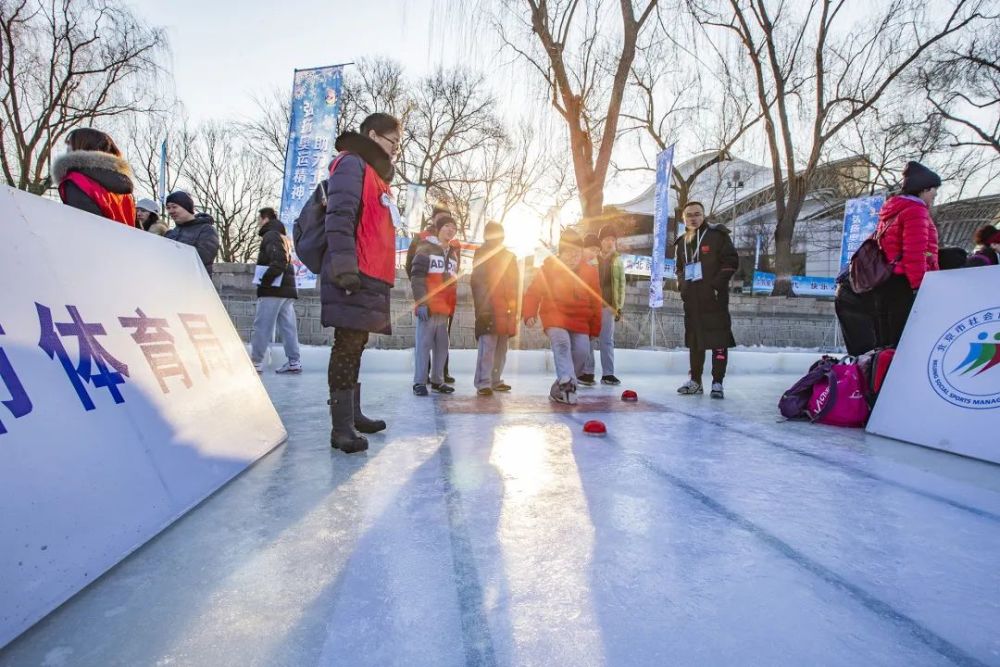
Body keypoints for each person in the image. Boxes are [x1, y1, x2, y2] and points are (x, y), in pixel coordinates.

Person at [322, 112, 401, 453]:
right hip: (354, 269)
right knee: (347, 344)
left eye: (399, 144)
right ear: (372, 134)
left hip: (372, 272)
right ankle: (341, 428)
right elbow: (339, 215)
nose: (396, 150)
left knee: (356, 344)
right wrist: (344, 266)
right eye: (391, 141)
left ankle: (351, 415)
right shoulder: (352, 164)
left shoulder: (376, 176)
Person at [523, 229, 602, 405]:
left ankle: (559, 387)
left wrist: (595, 327)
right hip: (555, 316)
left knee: (582, 352)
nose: (573, 257)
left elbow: (596, 301)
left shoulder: (590, 272)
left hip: (580, 320)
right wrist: (529, 313)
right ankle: (567, 383)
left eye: (577, 253)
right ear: (561, 252)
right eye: (569, 252)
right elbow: (533, 292)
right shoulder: (549, 268)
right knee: (562, 344)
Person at [673, 201, 739, 399]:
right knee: (695, 341)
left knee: (719, 340)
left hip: (714, 298)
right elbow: (679, 268)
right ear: (684, 219)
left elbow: (731, 261)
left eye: (697, 214)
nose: (693, 218)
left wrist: (715, 285)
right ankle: (695, 381)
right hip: (692, 301)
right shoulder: (681, 242)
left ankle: (717, 382)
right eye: (689, 215)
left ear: (703, 216)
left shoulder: (717, 235)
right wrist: (682, 286)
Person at [871, 161, 940, 348]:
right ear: (924, 189)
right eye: (934, 189)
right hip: (903, 283)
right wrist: (920, 286)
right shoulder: (915, 211)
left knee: (885, 342)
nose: (935, 194)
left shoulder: (891, 209)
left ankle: (881, 376)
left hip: (885, 280)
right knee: (903, 342)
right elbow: (915, 252)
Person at [410, 214, 460, 396]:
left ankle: (438, 380)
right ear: (438, 229)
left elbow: (453, 282)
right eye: (447, 226)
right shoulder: (425, 248)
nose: (450, 230)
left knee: (442, 345)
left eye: (453, 228)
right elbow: (417, 277)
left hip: (444, 309)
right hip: (429, 307)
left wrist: (451, 306)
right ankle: (419, 382)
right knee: (423, 344)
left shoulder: (453, 254)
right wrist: (421, 302)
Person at [249, 207, 302, 375]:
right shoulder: (284, 237)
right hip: (286, 290)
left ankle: (256, 362)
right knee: (288, 327)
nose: (258, 223)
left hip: (273, 289)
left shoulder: (270, 235)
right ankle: (294, 361)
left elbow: (278, 262)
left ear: (265, 218)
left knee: (262, 325)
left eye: (259, 219)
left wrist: (265, 281)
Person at [471, 221, 519, 396]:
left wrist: (515, 308)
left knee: (501, 348)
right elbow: (478, 283)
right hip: (489, 307)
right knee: (488, 346)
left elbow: (515, 285)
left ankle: (496, 380)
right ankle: (483, 382)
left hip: (506, 309)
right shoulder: (481, 254)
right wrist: (482, 307)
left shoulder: (510, 256)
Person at [52, 128, 136, 226]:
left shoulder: (77, 181)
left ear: (80, 147)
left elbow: (84, 228)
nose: (66, 149)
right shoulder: (125, 192)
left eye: (70, 144)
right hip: (123, 240)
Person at [163, 191, 220, 276]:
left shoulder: (206, 230)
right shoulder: (170, 234)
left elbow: (202, 258)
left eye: (174, 207)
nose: (170, 211)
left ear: (186, 207)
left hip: (195, 284)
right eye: (168, 208)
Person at [596, 224, 625, 385]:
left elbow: (621, 285)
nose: (609, 242)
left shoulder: (617, 260)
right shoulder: (593, 258)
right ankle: (586, 372)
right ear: (601, 241)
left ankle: (608, 373)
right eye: (606, 239)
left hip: (608, 305)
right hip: (591, 305)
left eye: (613, 240)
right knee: (588, 339)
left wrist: (619, 307)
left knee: (607, 340)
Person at [578, 233, 602, 386]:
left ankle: (588, 372)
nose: (594, 253)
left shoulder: (592, 268)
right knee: (582, 343)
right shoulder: (577, 265)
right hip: (579, 310)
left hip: (587, 312)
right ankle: (584, 371)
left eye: (596, 251)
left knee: (587, 342)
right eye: (592, 249)